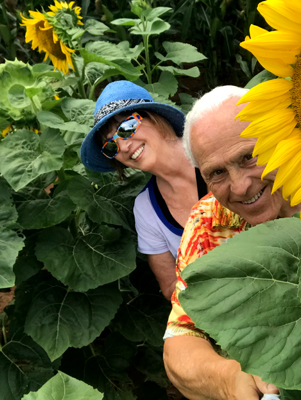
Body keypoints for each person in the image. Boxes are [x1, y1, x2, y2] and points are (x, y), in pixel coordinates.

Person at [163, 86, 301, 400]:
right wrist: (229, 379)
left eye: (249, 157)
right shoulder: (207, 224)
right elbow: (179, 342)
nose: (240, 186)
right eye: (217, 173)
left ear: (281, 137)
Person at [81, 81, 208, 299]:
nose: (123, 146)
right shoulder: (146, 208)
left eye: (126, 128)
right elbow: (170, 286)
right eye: (110, 145)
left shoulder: (208, 149)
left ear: (154, 118)